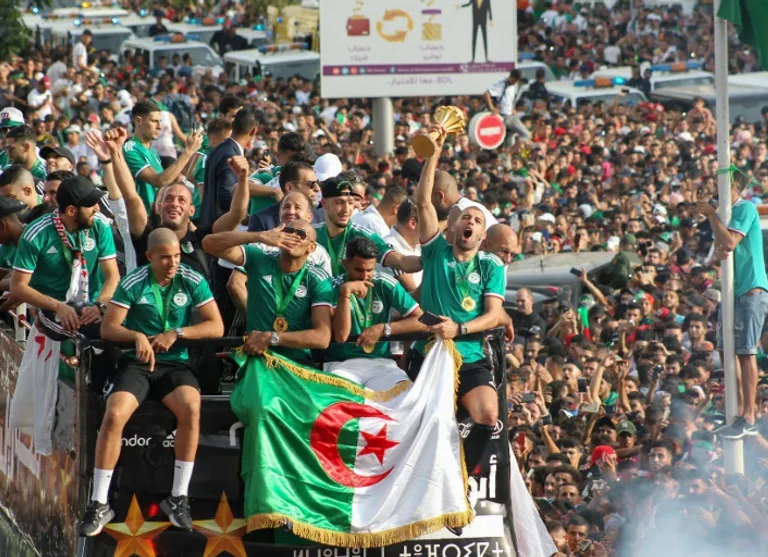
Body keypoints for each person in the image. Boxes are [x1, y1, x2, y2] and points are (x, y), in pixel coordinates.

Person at [80, 228, 224, 535]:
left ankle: (178, 498)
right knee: (115, 413)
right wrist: (136, 336)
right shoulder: (134, 281)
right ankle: (99, 503)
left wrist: (178, 333)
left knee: (191, 407)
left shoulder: (192, 278)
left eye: (176, 256)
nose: (172, 263)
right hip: (138, 363)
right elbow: (108, 328)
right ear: (149, 257)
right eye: (165, 258)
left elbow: (216, 326)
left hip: (175, 364)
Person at [409, 125, 506, 525]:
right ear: (454, 227)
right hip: (430, 354)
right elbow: (423, 202)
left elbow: (494, 315)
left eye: (477, 220)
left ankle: (460, 482)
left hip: (468, 354)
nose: (470, 222)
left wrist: (461, 330)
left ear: (482, 234)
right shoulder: (435, 251)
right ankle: (431, 488)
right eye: (465, 217)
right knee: (431, 424)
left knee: (488, 416)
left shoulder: (491, 265)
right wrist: (433, 153)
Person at [8, 176, 119, 455]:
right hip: (51, 310)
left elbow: (112, 277)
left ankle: (109, 392)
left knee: (117, 329)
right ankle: (94, 399)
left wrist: (100, 305)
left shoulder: (100, 226)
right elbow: (18, 287)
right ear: (71, 210)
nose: (97, 209)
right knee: (87, 334)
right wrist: (57, 306)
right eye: (91, 205)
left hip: (92, 307)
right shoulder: (37, 233)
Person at [697, 172, 768, 438]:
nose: (717, 188)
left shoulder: (745, 208)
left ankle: (749, 414)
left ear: (736, 185)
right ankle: (738, 411)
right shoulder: (726, 216)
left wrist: (711, 216)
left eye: (722, 184)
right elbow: (721, 252)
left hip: (750, 289)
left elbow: (729, 241)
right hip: (733, 292)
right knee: (727, 350)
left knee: (746, 351)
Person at [203, 219, 333, 364]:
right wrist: (259, 236)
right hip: (257, 358)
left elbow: (322, 337)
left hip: (296, 362)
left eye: (300, 234)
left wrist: (271, 338)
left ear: (311, 248)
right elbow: (209, 244)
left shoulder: (317, 278)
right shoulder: (260, 259)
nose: (292, 236)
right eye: (288, 231)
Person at [326, 237, 423, 388]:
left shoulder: (385, 283)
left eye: (369, 270)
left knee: (406, 393)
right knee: (343, 397)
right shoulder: (331, 287)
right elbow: (341, 336)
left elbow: (422, 320)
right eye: (359, 270)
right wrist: (345, 294)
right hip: (341, 364)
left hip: (382, 364)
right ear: (346, 264)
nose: (365, 276)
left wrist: (384, 328)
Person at [315, 176, 421, 278]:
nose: (346, 210)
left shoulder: (363, 235)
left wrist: (427, 258)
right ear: (324, 203)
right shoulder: (312, 233)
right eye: (339, 202)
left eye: (350, 203)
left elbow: (402, 262)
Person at [200, 106, 277, 228]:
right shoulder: (231, 154)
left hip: (209, 223)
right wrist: (248, 219)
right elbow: (226, 197)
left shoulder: (219, 149)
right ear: (253, 131)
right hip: (220, 229)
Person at [122, 101, 203, 214]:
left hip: (155, 215)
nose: (159, 127)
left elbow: (165, 181)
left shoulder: (153, 152)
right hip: (140, 217)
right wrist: (188, 151)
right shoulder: (130, 149)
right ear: (138, 121)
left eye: (160, 121)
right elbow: (159, 181)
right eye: (154, 121)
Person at [248, 159, 324, 232]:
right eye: (311, 184)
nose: (317, 189)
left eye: (317, 183)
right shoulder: (262, 221)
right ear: (289, 187)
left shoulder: (322, 215)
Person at [247, 131, 306, 218]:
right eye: (291, 158)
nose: (296, 162)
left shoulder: (310, 178)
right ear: (278, 155)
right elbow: (239, 188)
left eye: (299, 157)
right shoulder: (269, 174)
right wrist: (275, 191)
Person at [484, 70, 529, 140]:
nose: (516, 82)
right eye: (515, 80)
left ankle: (512, 147)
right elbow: (487, 93)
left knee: (509, 138)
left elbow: (509, 100)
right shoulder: (502, 84)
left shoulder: (513, 86)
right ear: (512, 78)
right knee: (525, 134)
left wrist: (512, 109)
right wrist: (492, 107)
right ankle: (515, 147)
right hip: (503, 116)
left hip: (510, 114)